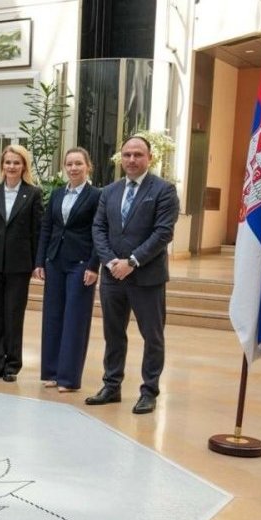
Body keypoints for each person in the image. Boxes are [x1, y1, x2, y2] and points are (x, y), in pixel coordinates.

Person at [87, 136, 178, 415]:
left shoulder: (163, 190)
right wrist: (111, 261)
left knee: (152, 336)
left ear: (149, 157)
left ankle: (149, 391)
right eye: (127, 154)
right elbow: (98, 228)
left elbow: (163, 232)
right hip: (113, 276)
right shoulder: (109, 191)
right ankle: (111, 386)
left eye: (138, 154)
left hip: (147, 277)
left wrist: (133, 261)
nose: (131, 160)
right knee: (113, 333)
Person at [34, 148, 101, 393]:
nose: (73, 168)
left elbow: (99, 232)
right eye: (69, 164)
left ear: (88, 166)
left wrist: (94, 265)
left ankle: (68, 378)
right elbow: (47, 228)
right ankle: (52, 372)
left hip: (81, 264)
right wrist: (40, 261)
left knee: (75, 319)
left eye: (78, 163)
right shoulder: (57, 194)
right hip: (55, 261)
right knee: (52, 317)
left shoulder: (96, 196)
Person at [0, 144, 43, 383]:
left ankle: (12, 365)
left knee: (14, 314)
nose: (12, 166)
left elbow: (37, 230)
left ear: (23, 166)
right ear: (2, 165)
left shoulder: (33, 193)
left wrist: (37, 262)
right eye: (8, 162)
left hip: (20, 264)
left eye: (16, 162)